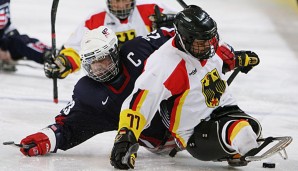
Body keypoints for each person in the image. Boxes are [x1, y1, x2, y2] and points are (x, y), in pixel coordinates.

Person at [110, 5, 262, 169]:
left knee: (254, 128)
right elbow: (138, 102)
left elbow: (222, 60)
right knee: (243, 132)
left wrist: (240, 59)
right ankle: (236, 148)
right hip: (196, 131)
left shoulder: (207, 45)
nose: (209, 46)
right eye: (201, 43)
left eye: (211, 39)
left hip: (225, 108)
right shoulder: (164, 64)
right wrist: (126, 136)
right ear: (184, 39)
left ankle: (234, 151)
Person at [19, 26, 179, 159]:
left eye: (102, 59)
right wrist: (46, 137)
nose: (98, 67)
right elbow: (68, 127)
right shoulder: (89, 93)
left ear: (115, 52)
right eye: (92, 62)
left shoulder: (138, 49)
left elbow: (172, 36)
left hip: (180, 107)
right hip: (162, 140)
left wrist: (188, 26)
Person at [44, 0, 177, 79]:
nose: (121, 5)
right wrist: (64, 63)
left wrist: (171, 26)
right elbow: (76, 49)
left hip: (152, 74)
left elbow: (186, 29)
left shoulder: (151, 9)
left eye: (124, 0)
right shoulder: (95, 19)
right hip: (112, 79)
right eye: (116, 0)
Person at [0, 0, 51, 71]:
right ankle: (49, 58)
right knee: (19, 43)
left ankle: (50, 51)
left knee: (25, 39)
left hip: (6, 35)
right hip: (3, 44)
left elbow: (7, 22)